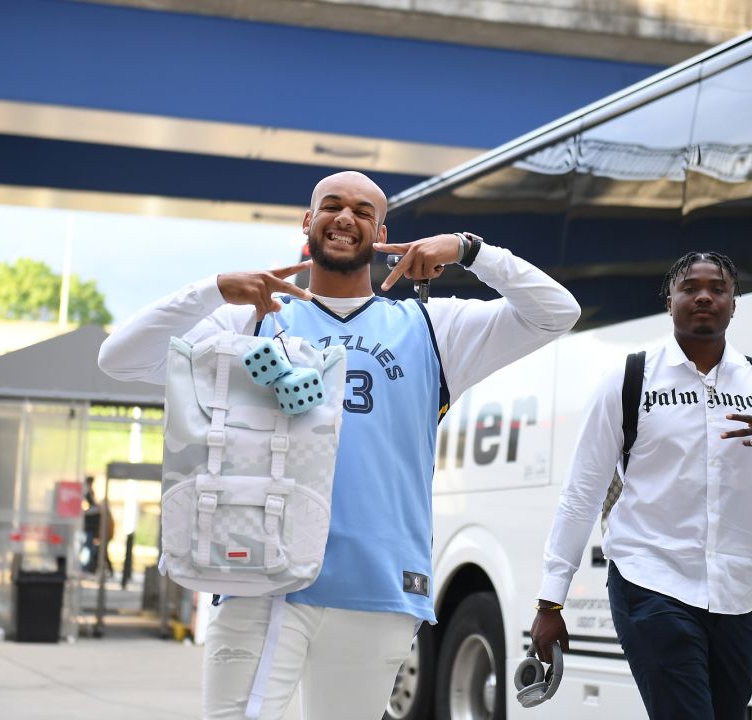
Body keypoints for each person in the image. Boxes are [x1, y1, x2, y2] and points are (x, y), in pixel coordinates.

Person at [98, 170, 580, 719]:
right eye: (331, 206)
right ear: (308, 222)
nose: (345, 218)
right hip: (261, 576)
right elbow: (120, 358)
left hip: (377, 585)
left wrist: (471, 251)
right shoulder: (250, 319)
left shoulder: (431, 326)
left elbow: (556, 313)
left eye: (362, 211)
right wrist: (211, 290)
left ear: (381, 232)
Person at [530, 252, 752, 720]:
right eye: (690, 287)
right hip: (649, 579)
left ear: (733, 304)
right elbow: (582, 493)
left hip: (735, 592)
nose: (703, 295)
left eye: (717, 288)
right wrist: (550, 600)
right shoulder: (628, 379)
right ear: (670, 301)